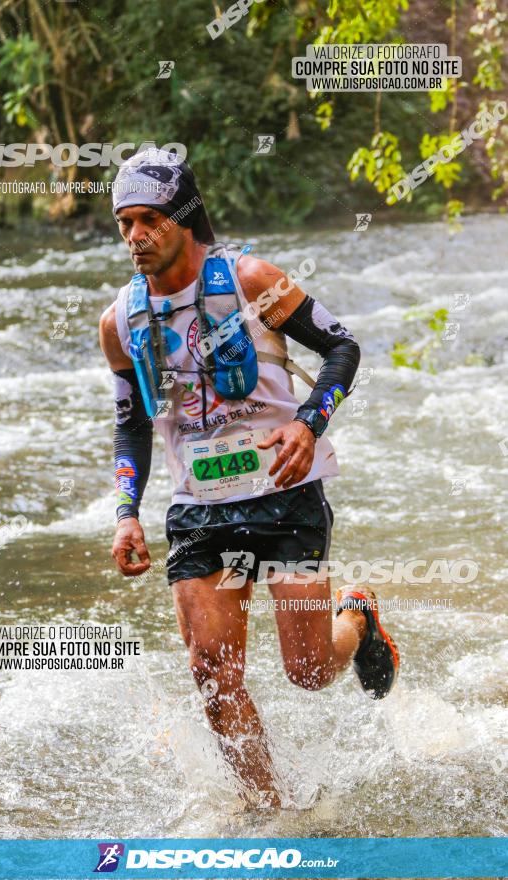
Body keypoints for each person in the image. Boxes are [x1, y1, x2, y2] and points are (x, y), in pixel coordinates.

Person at [99, 148, 399, 806]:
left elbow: (341, 345)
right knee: (212, 673)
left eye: (148, 219)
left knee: (309, 671)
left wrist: (307, 424)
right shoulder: (118, 323)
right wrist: (126, 511)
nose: (134, 236)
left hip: (284, 491)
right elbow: (131, 425)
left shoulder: (250, 277)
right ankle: (271, 811)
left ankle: (359, 617)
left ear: (182, 218)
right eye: (124, 223)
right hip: (197, 509)